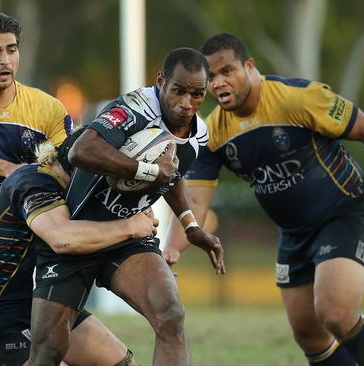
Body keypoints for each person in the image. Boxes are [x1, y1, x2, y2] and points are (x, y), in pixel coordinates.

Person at [163, 33, 364, 366]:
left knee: (335, 312)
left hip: (344, 211)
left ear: (249, 67)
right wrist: (170, 248)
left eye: (227, 71)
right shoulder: (212, 132)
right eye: (211, 77)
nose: (219, 82)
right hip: (293, 232)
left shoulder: (297, 98)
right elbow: (196, 202)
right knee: (309, 335)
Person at [0, 13, 132, 366]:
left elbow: (73, 171)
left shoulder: (47, 109)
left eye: (11, 50)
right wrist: (17, 175)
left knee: (114, 361)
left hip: (27, 244)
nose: (4, 60)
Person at [27, 47, 226, 366]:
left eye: (197, 94)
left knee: (170, 315)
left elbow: (171, 175)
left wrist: (191, 226)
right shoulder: (133, 108)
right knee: (48, 351)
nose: (187, 103)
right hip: (78, 235)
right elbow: (82, 151)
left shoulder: (198, 133)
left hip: (128, 238)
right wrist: (146, 170)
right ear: (161, 81)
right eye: (178, 91)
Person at [0, 140, 156, 366]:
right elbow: (62, 239)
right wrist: (129, 227)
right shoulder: (33, 182)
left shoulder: (64, 187)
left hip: (38, 303)